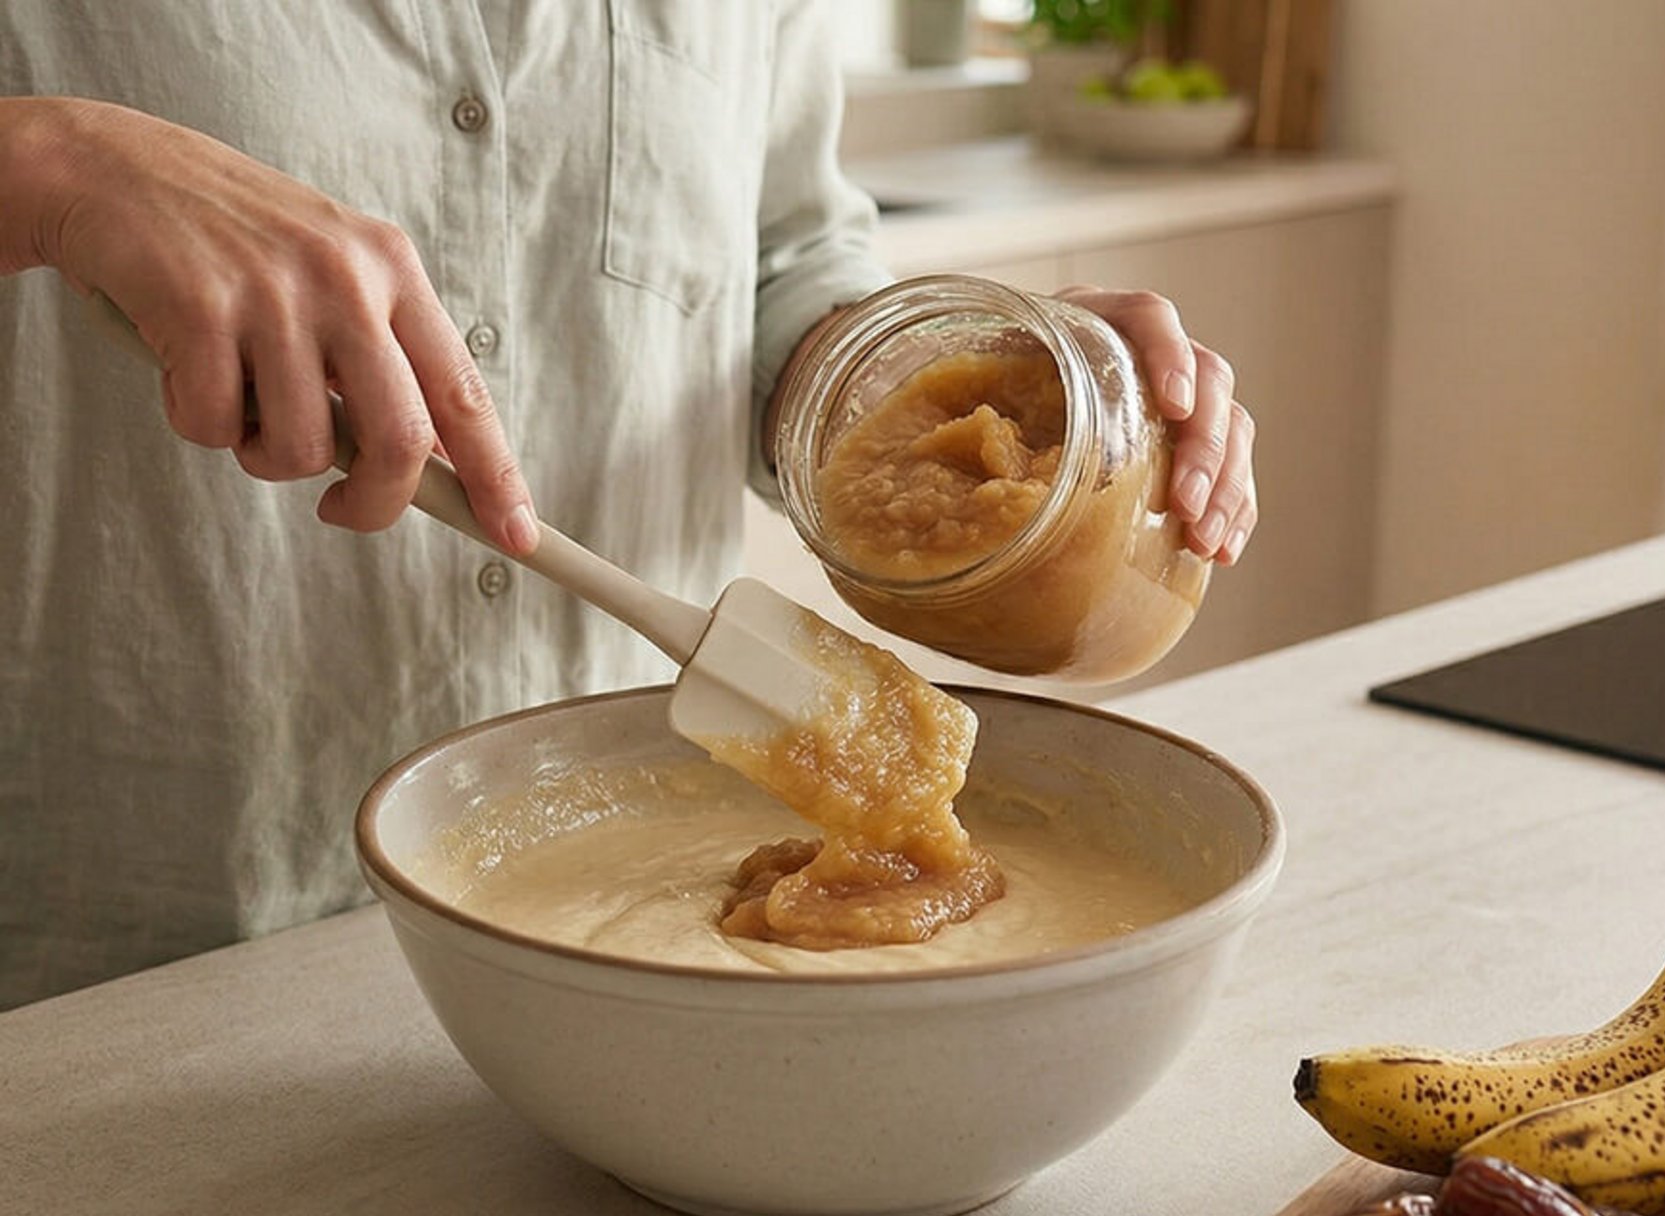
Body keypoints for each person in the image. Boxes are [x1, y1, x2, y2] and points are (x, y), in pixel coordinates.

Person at [0, 2, 1259, 1009]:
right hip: (138, 957)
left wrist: (954, 401)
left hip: (645, 944)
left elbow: (775, 262)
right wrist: (51, 161)